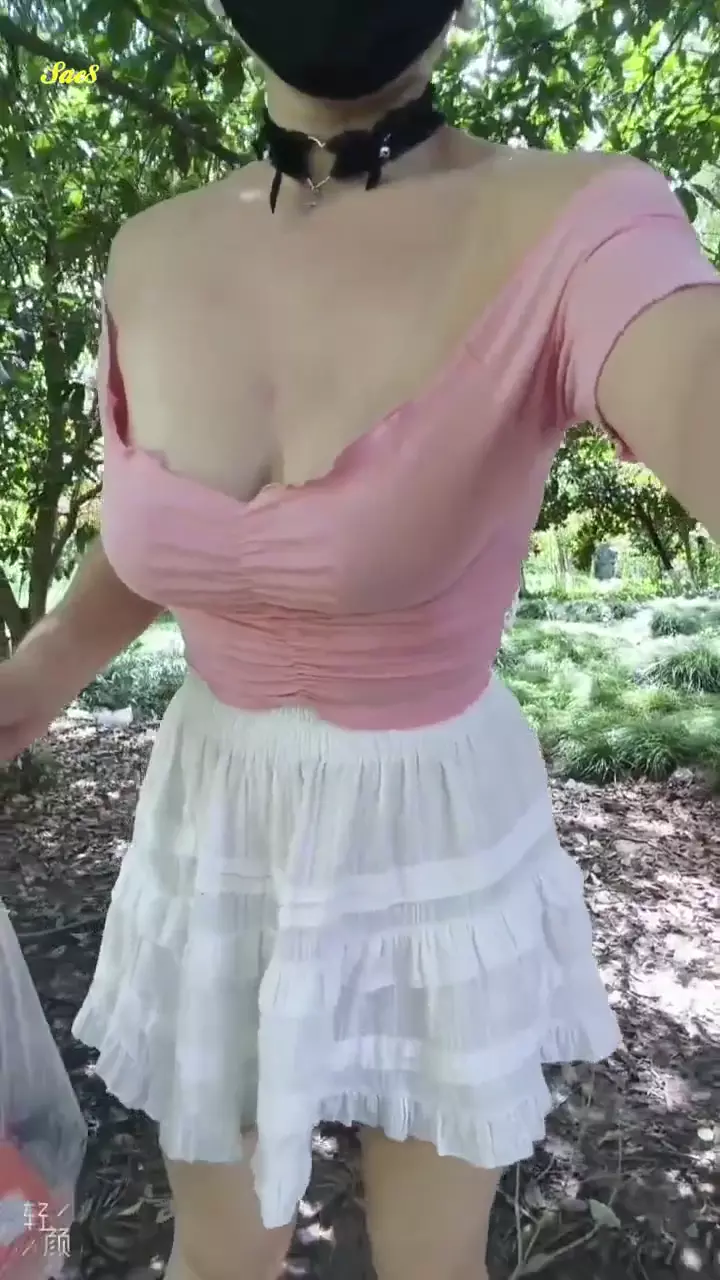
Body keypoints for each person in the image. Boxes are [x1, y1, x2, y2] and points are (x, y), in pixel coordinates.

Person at [1, 2, 719, 1277]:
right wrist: (35, 677)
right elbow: (171, 535)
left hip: (430, 824)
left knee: (429, 1260)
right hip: (221, 814)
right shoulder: (152, 251)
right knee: (220, 1253)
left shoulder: (579, 224)